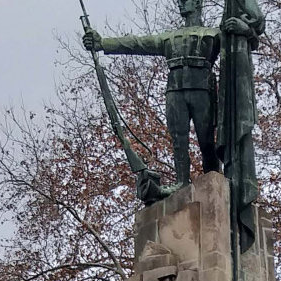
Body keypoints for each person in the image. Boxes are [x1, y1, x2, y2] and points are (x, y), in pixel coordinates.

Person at [83, 0, 256, 187]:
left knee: (206, 141)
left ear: (197, 3)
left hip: (202, 90)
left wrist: (246, 30)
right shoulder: (170, 37)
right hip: (175, 91)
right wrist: (102, 43)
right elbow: (137, 43)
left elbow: (244, 43)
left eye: (185, 1)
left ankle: (213, 181)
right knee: (178, 141)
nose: (181, 4)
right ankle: (181, 182)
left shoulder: (214, 34)